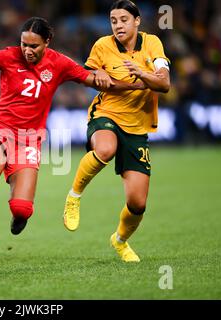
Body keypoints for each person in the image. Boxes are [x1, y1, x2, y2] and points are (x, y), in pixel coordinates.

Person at [0, 17, 145, 269]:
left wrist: (141, 83)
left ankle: (18, 216)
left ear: (47, 42)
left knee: (22, 209)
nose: (27, 50)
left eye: (34, 46)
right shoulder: (7, 56)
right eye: (24, 44)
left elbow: (97, 82)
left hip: (29, 140)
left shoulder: (60, 64)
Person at [63, 0, 170, 262]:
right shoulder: (102, 45)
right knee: (105, 149)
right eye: (113, 20)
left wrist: (141, 75)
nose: (118, 25)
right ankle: (74, 196)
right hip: (106, 114)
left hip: (137, 127)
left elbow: (164, 83)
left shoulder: (153, 43)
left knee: (138, 204)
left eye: (123, 19)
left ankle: (120, 241)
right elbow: (89, 74)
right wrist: (97, 72)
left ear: (136, 21)